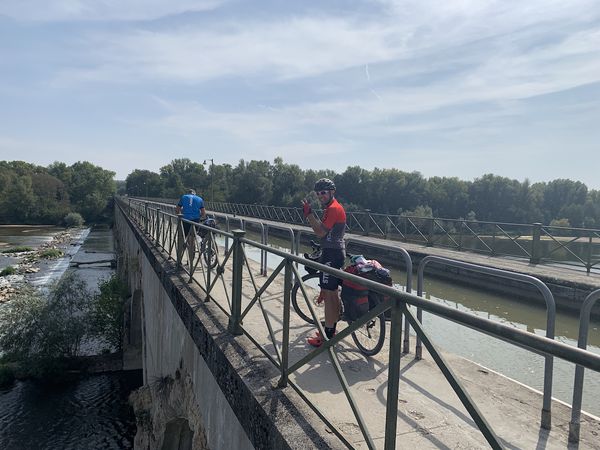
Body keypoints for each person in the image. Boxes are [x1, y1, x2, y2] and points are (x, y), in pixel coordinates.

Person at [301, 178, 346, 347]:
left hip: (332, 255)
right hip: (332, 253)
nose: (320, 196)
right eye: (318, 193)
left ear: (332, 192)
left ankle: (326, 336)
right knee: (331, 294)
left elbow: (320, 232)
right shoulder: (330, 208)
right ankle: (330, 331)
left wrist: (309, 214)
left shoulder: (333, 209)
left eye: (323, 192)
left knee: (329, 296)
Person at [176, 189, 206, 259]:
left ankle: (179, 258)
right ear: (194, 194)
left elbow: (177, 209)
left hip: (185, 220)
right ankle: (191, 258)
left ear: (188, 193)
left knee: (182, 237)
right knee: (192, 238)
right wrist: (200, 218)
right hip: (195, 221)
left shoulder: (183, 197)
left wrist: (180, 216)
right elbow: (203, 213)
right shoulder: (200, 199)